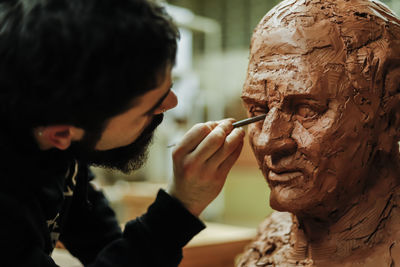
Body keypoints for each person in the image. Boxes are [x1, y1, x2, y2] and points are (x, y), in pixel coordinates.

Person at [0, 0, 246, 266]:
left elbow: (106, 245)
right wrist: (182, 205)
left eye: (169, 86)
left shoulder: (59, 126)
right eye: (153, 106)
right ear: (60, 134)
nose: (172, 103)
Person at [237, 0, 400, 266]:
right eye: (258, 109)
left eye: (306, 110)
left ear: (392, 117)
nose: (268, 141)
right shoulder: (270, 240)